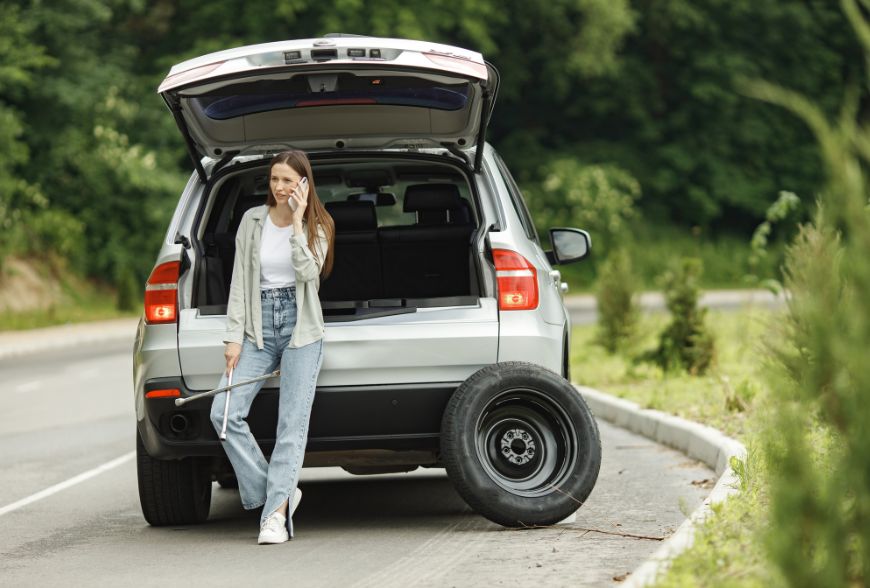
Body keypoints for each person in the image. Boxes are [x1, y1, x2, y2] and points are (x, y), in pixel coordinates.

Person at [210, 150, 335, 544]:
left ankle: (275, 518)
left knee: (290, 428)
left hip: (302, 330)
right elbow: (239, 282)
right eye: (274, 179)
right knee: (223, 415)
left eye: (288, 181)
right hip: (257, 328)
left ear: (304, 184)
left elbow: (309, 274)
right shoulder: (252, 220)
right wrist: (233, 337)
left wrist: (297, 223)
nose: (279, 188)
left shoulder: (320, 225)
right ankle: (278, 493)